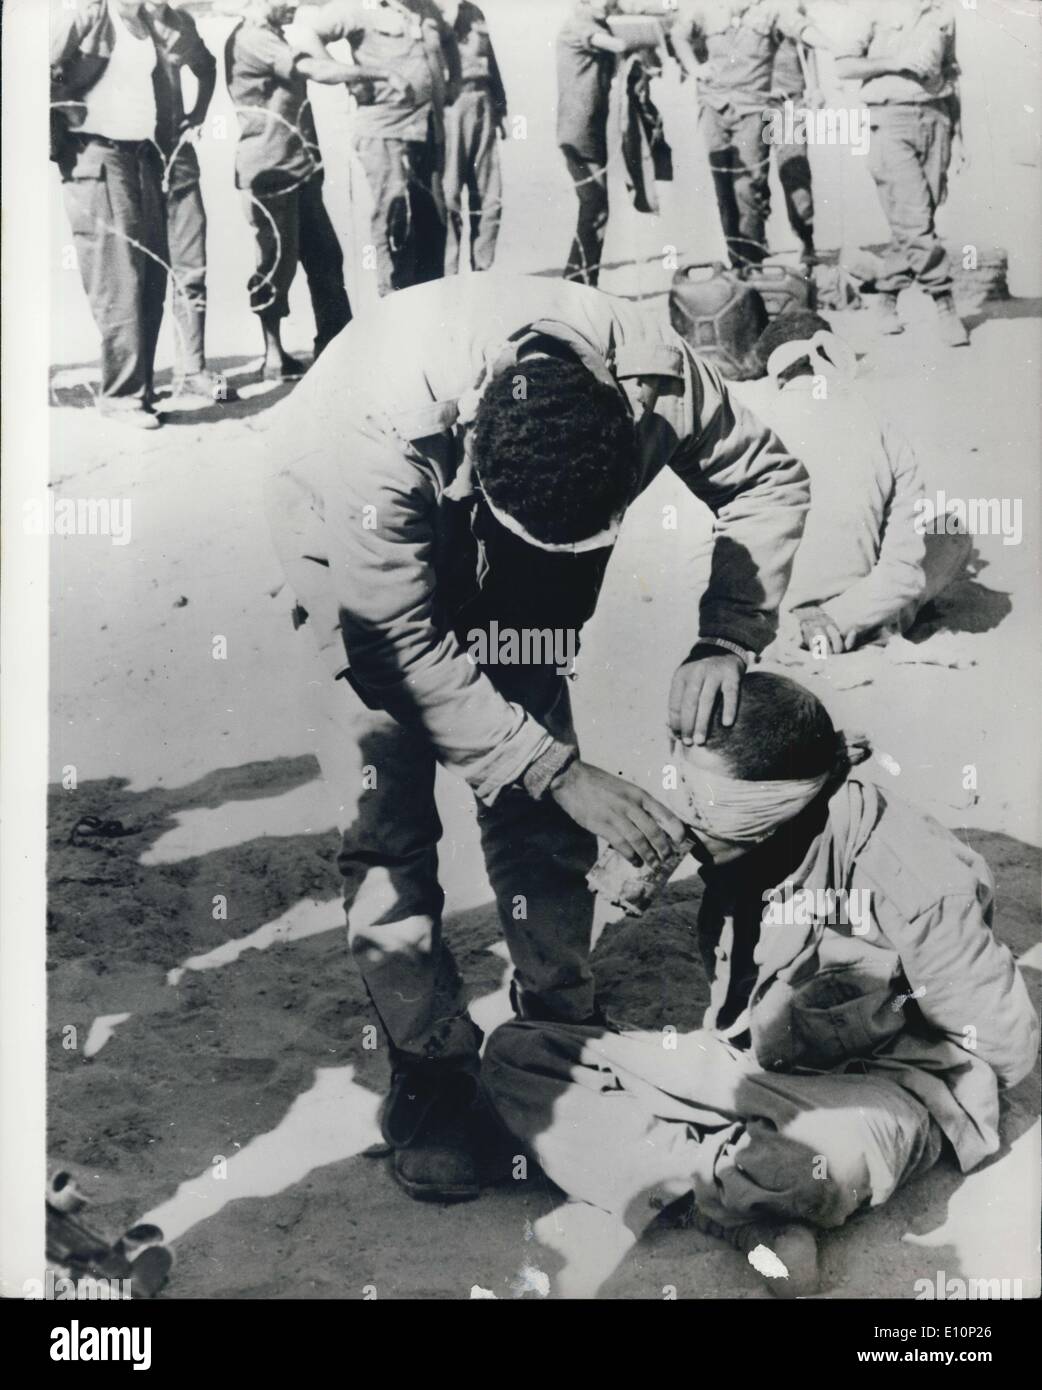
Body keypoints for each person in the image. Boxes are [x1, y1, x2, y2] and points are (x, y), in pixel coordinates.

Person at [261, 272, 810, 1202]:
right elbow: (396, 643)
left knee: (538, 795)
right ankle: (430, 1072)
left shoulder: (655, 379)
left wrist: (727, 635)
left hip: (513, 508)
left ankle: (557, 1021)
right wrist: (555, 769)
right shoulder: (382, 437)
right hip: (344, 527)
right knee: (391, 818)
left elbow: (766, 477)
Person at [483, 671, 1038, 1296]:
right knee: (516, 1055)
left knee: (813, 1159)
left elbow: (1002, 1051)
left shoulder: (913, 878)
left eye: (706, 814)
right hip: (745, 1067)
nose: (684, 826)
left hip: (875, 1089)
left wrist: (899, 1099)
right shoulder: (744, 847)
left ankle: (713, 1187)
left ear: (775, 815)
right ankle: (737, 1204)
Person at [743, 311, 971, 654]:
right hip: (856, 625)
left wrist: (796, 619)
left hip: (775, 625)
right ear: (835, 354)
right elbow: (903, 574)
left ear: (774, 373)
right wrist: (834, 616)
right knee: (952, 529)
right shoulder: (879, 426)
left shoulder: (748, 433)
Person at [51, 0, 198, 428]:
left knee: (152, 269)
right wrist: (63, 118)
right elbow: (36, 74)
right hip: (96, 155)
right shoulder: (88, 14)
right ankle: (121, 395)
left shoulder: (146, 21)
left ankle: (142, 390)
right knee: (118, 276)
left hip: (140, 155)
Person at [225, 1, 380, 381]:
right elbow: (309, 67)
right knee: (277, 264)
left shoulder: (270, 34)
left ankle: (336, 345)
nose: (295, 2)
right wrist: (366, 72)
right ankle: (273, 356)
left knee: (326, 256)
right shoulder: (253, 38)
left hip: (300, 167)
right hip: (271, 170)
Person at [822, 0, 969, 345]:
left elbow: (952, 74)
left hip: (937, 119)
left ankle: (887, 299)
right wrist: (895, 62)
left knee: (916, 219)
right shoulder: (870, 8)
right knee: (915, 217)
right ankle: (944, 300)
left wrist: (960, 137)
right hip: (889, 120)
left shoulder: (941, 11)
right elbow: (843, 66)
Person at [296, 0, 461, 297]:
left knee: (434, 221)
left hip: (429, 129)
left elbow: (448, 41)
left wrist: (454, 83)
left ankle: (431, 303)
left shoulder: (427, 8)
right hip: (385, 129)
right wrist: (352, 80)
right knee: (395, 216)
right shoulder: (358, 7)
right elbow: (307, 36)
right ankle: (393, 301)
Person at [672, 0, 813, 272]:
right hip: (723, 104)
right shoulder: (709, 9)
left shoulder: (778, 8)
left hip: (780, 101)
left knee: (767, 184)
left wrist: (816, 83)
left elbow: (804, 41)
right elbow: (680, 34)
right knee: (729, 187)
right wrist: (695, 68)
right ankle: (741, 263)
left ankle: (796, 251)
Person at [156, 2, 240, 406]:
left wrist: (198, 114)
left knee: (190, 265)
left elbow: (206, 66)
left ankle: (191, 369)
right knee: (133, 274)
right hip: (125, 158)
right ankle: (132, 382)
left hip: (177, 157)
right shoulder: (110, 21)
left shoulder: (178, 22)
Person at [556, 0, 657, 287]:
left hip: (591, 130)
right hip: (578, 132)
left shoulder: (597, 22)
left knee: (596, 207)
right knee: (594, 206)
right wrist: (649, 32)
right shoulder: (579, 24)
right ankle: (578, 281)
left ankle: (582, 279)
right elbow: (616, 45)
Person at [435, 1, 508, 275]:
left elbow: (491, 61)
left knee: (490, 196)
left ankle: (482, 270)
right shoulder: (431, 10)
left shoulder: (475, 11)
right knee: (450, 193)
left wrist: (500, 107)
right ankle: (448, 276)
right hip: (450, 107)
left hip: (483, 103)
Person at [769, 34, 817, 266]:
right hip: (743, 100)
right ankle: (747, 250)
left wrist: (814, 86)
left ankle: (807, 238)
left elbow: (807, 45)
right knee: (744, 181)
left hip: (787, 99)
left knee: (794, 169)